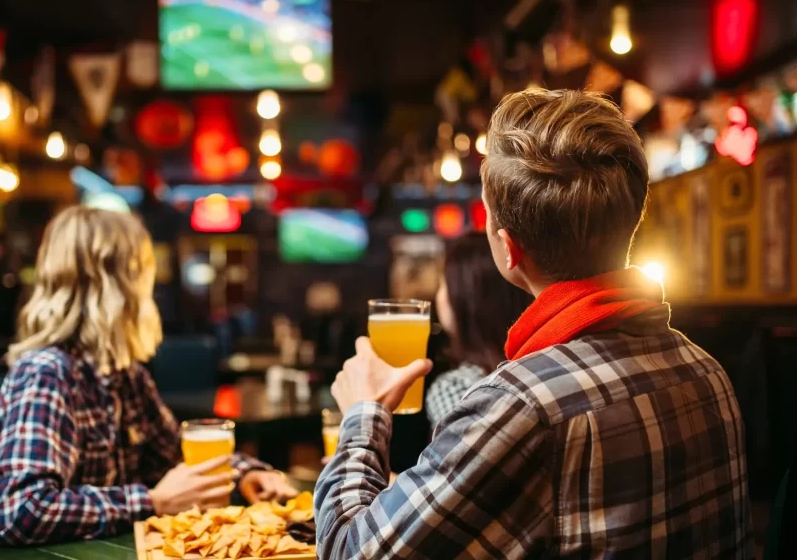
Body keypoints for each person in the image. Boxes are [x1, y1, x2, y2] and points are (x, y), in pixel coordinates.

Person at [316, 89, 753, 558]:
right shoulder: (707, 369)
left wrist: (364, 414)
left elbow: (350, 550)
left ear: (508, 249)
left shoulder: (521, 405)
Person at [0, 207, 295, 545]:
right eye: (142, 273)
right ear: (117, 285)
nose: (150, 292)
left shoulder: (126, 376)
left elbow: (179, 453)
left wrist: (247, 473)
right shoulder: (46, 373)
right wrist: (153, 502)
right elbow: (19, 512)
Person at [426, 232, 532, 429]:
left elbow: (458, 458)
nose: (438, 295)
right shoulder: (540, 367)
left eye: (444, 284)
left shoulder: (456, 386)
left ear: (465, 298)